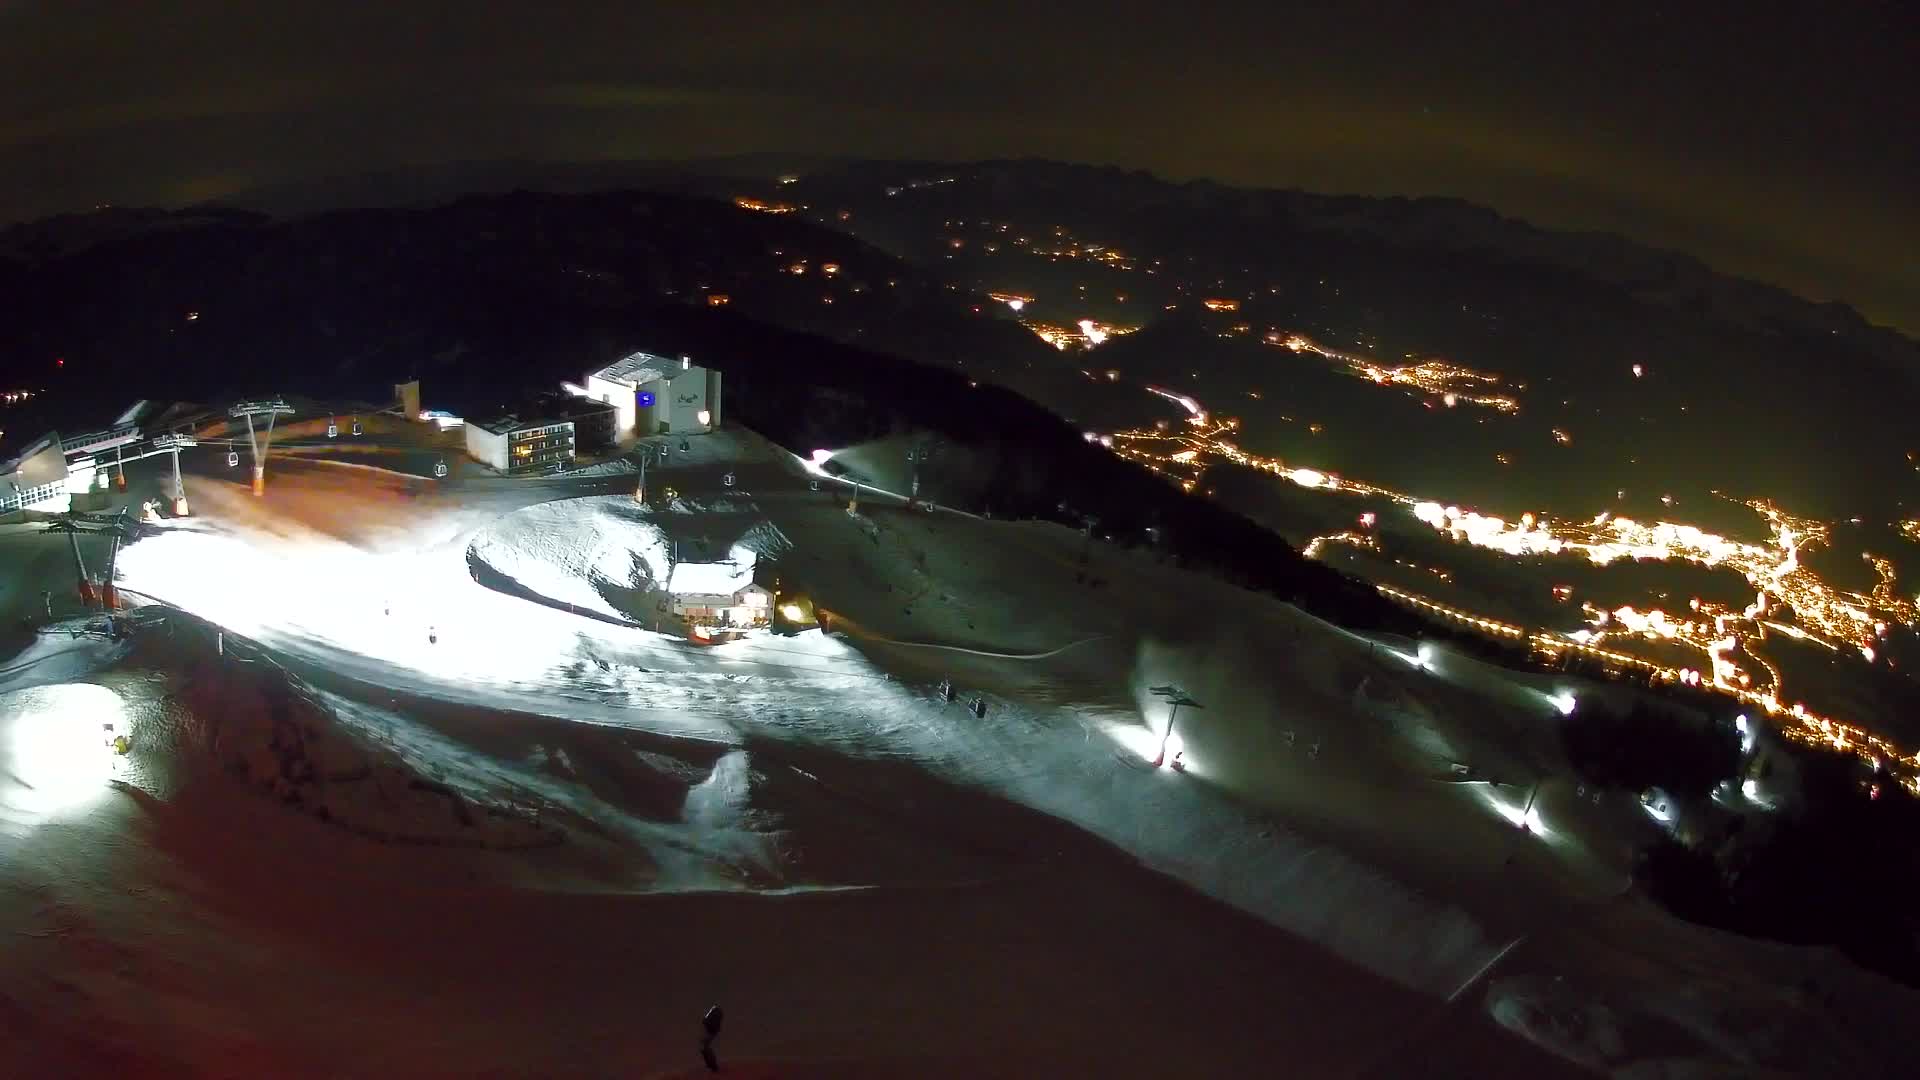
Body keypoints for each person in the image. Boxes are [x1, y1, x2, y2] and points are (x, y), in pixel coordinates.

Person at [700, 1005, 724, 1073]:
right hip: (711, 1031)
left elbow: (705, 1020)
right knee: (704, 1047)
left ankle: (712, 1066)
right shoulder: (715, 1011)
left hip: (710, 1031)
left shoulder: (714, 1011)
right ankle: (712, 1066)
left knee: (704, 1048)